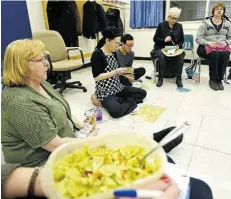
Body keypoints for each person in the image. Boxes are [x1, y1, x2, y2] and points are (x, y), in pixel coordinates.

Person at [1, 39, 97, 167]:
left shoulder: (40, 82)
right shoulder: (19, 102)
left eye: (45, 58)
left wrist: (81, 126)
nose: (47, 64)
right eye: (40, 60)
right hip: (38, 163)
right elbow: (54, 145)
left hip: (61, 145)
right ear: (22, 65)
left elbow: (58, 109)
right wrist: (87, 142)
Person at [90, 26, 147, 118]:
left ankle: (121, 100)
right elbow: (97, 77)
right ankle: (122, 101)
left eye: (119, 43)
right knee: (116, 112)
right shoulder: (98, 54)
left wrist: (123, 73)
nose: (118, 46)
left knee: (142, 93)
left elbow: (116, 71)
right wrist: (116, 72)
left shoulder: (113, 52)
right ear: (108, 40)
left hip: (118, 87)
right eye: (116, 43)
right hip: (106, 91)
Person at [196, 2, 231, 91]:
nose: (219, 10)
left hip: (221, 47)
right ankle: (213, 79)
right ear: (213, 11)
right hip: (205, 47)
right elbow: (198, 39)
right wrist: (208, 43)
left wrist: (226, 43)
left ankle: (219, 79)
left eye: (221, 9)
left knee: (225, 54)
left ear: (223, 11)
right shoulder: (205, 23)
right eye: (217, 9)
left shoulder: (228, 24)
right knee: (214, 54)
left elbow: (230, 38)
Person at [153, 7, 185, 88]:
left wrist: (178, 46)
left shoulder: (179, 26)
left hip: (174, 48)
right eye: (171, 18)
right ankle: (161, 78)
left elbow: (182, 40)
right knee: (162, 57)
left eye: (175, 18)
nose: (173, 20)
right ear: (168, 16)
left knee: (180, 57)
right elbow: (155, 39)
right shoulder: (161, 25)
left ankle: (178, 78)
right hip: (161, 47)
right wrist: (164, 39)